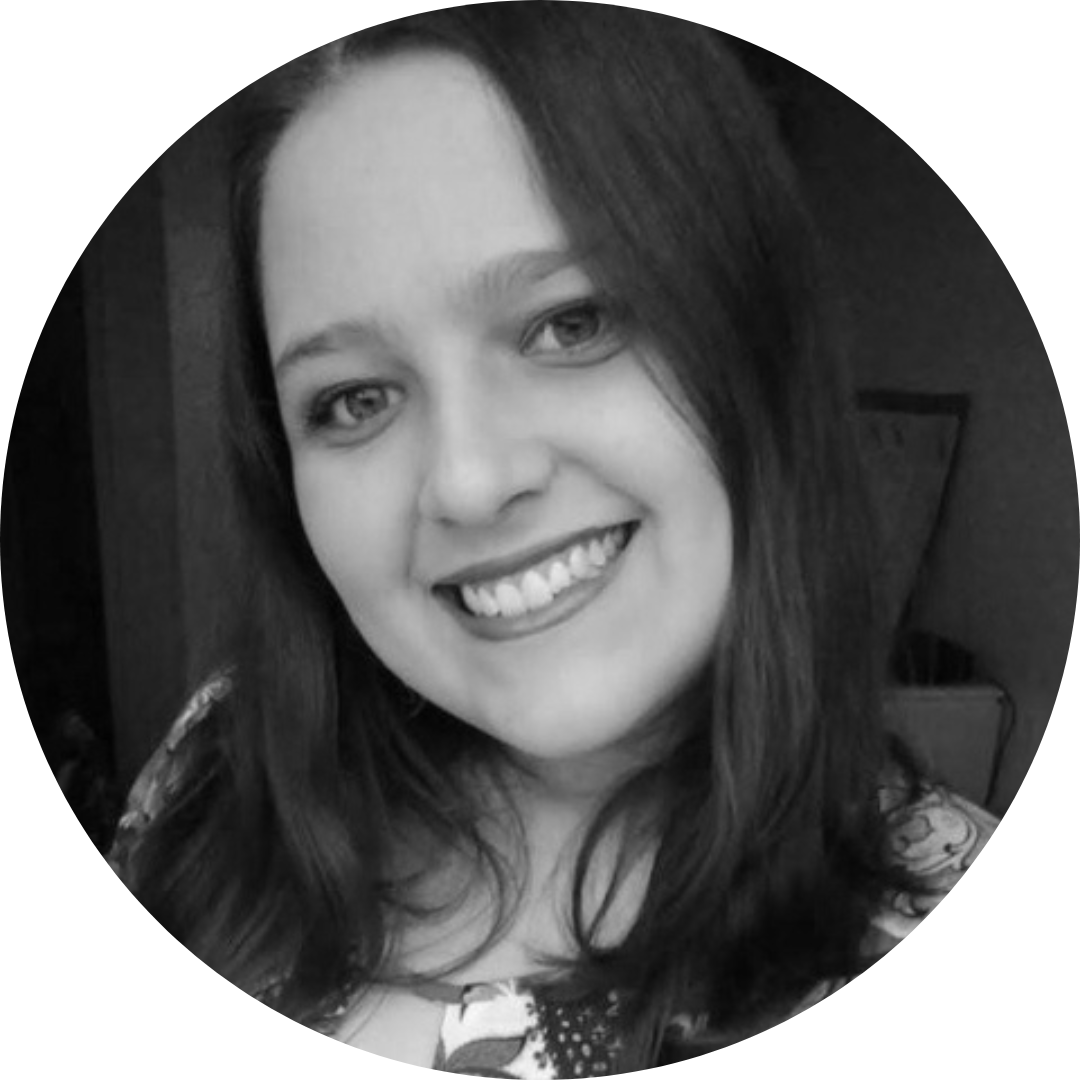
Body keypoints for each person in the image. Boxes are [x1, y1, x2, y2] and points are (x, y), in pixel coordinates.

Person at [109, 4, 996, 1074]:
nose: (469, 482)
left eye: (569, 325)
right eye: (353, 399)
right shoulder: (215, 769)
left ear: (756, 344)